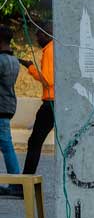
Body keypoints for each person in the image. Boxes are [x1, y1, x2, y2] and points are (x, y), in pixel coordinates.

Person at [21, 28, 53, 176]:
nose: (37, 39)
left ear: (46, 34)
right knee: (35, 141)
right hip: (55, 103)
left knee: (34, 142)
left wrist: (31, 68)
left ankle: (24, 183)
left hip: (50, 103)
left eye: (38, 35)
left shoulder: (49, 50)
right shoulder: (55, 48)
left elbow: (47, 80)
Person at [0, 28, 20, 196]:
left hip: (1, 107)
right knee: (5, 144)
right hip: (8, 106)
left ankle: (16, 184)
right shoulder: (14, 60)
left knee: (6, 145)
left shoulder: (1, 61)